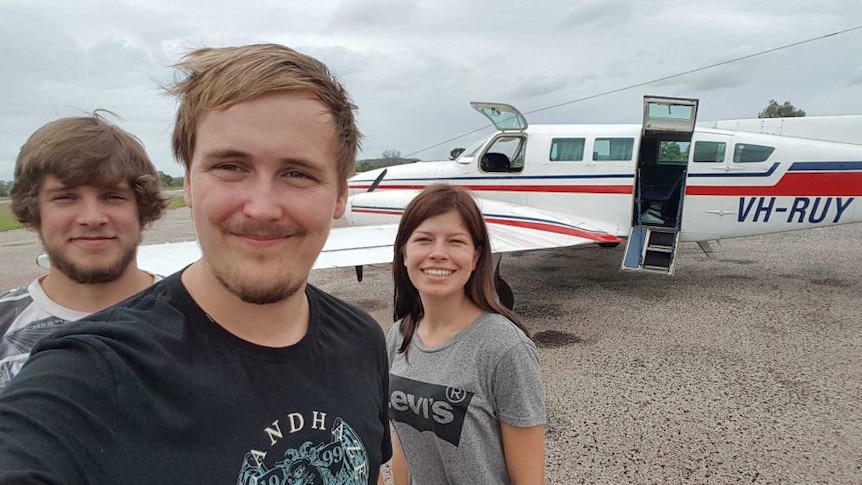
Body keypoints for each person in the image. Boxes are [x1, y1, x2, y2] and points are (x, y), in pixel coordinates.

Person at [0, 44, 391, 484]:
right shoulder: (89, 373)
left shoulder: (362, 340)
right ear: (188, 183)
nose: (261, 208)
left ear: (340, 195)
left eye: (297, 173)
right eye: (230, 166)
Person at [387, 183, 546, 485]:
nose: (438, 254)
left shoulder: (505, 349)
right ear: (404, 253)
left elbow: (529, 478)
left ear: (475, 257)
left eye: (455, 242)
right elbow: (404, 440)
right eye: (423, 239)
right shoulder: (398, 336)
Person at [0, 114, 168, 391]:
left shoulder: (199, 317)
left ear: (141, 209)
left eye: (113, 196)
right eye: (66, 197)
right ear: (34, 210)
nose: (92, 218)